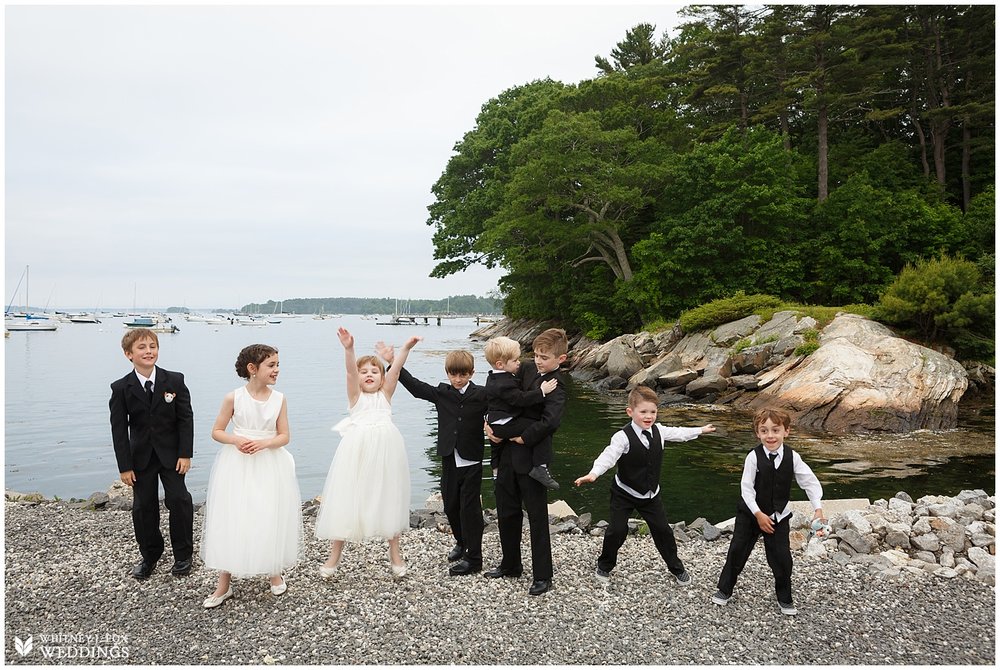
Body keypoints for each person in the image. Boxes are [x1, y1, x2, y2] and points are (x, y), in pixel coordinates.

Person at [574, 385, 716, 586]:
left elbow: (679, 433)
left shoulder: (659, 430)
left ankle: (676, 568)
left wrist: (700, 430)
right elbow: (609, 455)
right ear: (630, 412)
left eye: (653, 412)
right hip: (624, 492)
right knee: (616, 530)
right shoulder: (622, 437)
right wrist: (594, 473)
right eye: (643, 412)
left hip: (651, 494)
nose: (649, 416)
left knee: (663, 531)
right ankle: (604, 566)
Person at [200, 344, 303, 609]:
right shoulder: (233, 398)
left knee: (268, 514)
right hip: (237, 463)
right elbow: (217, 431)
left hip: (269, 462)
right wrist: (236, 440)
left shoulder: (280, 399)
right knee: (234, 516)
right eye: (271, 365)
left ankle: (273, 571)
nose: (277, 370)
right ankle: (224, 582)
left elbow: (284, 436)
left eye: (278, 364)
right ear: (252, 369)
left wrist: (265, 444)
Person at [315, 327, 420, 579]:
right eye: (365, 372)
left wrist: (404, 350)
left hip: (386, 452)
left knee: (389, 496)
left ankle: (395, 554)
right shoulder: (355, 397)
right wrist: (349, 349)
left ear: (382, 378)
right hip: (357, 452)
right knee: (347, 497)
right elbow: (350, 371)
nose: (369, 374)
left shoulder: (386, 394)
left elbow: (395, 370)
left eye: (375, 371)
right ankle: (334, 556)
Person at [380, 345, 489, 576]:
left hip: (471, 460)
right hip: (450, 457)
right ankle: (461, 542)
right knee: (450, 505)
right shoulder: (442, 393)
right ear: (447, 373)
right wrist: (394, 362)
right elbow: (416, 387)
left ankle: (474, 558)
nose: (457, 379)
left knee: (470, 511)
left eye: (462, 375)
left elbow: (501, 407)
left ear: (471, 373)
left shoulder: (481, 395)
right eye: (453, 374)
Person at [712, 407, 824, 616]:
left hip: (779, 516)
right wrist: (758, 514)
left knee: (781, 558)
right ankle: (725, 589)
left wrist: (817, 508)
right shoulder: (753, 457)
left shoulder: (793, 457)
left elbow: (809, 482)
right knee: (737, 552)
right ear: (758, 433)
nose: (770, 436)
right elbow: (746, 488)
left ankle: (785, 597)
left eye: (775, 430)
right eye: (764, 431)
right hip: (751, 514)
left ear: (786, 431)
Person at [485, 327, 568, 596]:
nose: (539, 360)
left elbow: (551, 422)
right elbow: (501, 393)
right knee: (506, 511)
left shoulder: (557, 386)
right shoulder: (525, 369)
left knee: (537, 518)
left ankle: (543, 575)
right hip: (505, 455)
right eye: (537, 355)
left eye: (545, 357)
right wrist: (489, 425)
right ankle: (510, 564)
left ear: (560, 359)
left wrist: (523, 437)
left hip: (531, 458)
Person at [109, 328, 194, 580]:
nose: (148, 351)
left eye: (152, 346)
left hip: (172, 456)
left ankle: (183, 554)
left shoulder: (174, 380)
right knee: (144, 507)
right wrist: (124, 466)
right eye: (142, 348)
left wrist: (185, 454)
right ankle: (150, 555)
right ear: (129, 354)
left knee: (179, 500)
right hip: (140, 459)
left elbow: (185, 419)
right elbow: (118, 431)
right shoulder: (121, 388)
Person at [482, 336, 559, 489]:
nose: (519, 363)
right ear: (500, 364)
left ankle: (496, 469)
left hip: (496, 421)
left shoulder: (493, 378)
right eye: (515, 360)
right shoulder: (505, 383)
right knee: (539, 428)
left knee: (497, 445)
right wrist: (541, 392)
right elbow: (520, 399)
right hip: (505, 423)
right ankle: (541, 467)